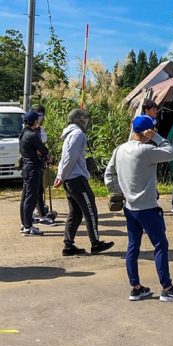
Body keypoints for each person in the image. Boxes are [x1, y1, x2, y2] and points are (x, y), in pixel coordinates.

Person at [104, 116, 173, 302]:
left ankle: (136, 287)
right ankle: (167, 288)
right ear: (147, 132)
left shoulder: (120, 149)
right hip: (147, 207)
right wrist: (158, 137)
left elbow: (109, 174)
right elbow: (172, 153)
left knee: (133, 246)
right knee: (160, 244)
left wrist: (117, 192)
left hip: (129, 206)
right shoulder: (146, 150)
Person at [54, 109, 113, 255]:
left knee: (75, 213)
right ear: (77, 120)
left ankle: (68, 246)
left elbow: (65, 157)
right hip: (76, 179)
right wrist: (61, 176)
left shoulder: (70, 134)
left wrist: (61, 175)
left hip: (71, 179)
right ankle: (95, 243)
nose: (85, 123)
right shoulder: (78, 134)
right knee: (90, 210)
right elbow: (70, 157)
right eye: (83, 120)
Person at [19, 111, 49, 237]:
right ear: (34, 121)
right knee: (31, 197)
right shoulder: (32, 135)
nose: (39, 121)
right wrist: (47, 157)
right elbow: (44, 150)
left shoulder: (23, 133)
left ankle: (25, 223)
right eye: (37, 120)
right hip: (33, 168)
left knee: (25, 197)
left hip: (26, 167)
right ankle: (28, 227)